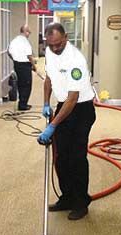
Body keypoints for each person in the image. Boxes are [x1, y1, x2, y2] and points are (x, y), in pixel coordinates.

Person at [37, 23, 96, 221]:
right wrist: (46, 103)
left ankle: (81, 203)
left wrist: (53, 125)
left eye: (58, 44)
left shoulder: (75, 60)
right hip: (64, 105)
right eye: (50, 44)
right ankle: (67, 198)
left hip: (81, 109)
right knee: (61, 158)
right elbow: (48, 78)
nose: (54, 48)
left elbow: (72, 99)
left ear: (66, 37)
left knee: (76, 159)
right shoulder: (49, 51)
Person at [8, 25, 37, 111]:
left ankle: (22, 103)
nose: (30, 33)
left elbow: (8, 52)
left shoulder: (14, 40)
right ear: (25, 31)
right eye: (28, 31)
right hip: (25, 65)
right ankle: (23, 105)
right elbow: (29, 56)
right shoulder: (25, 42)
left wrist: (15, 59)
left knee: (21, 84)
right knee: (27, 85)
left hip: (17, 65)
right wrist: (34, 66)